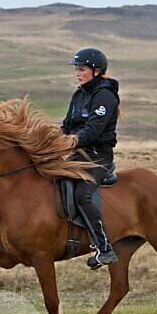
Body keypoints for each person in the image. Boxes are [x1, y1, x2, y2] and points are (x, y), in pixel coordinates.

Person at [61, 47, 120, 269]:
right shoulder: (79, 94)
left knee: (83, 194)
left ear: (96, 71)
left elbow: (93, 130)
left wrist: (72, 142)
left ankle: (103, 248)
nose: (78, 73)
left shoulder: (104, 96)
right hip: (77, 154)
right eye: (77, 69)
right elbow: (67, 125)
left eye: (82, 69)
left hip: (98, 157)